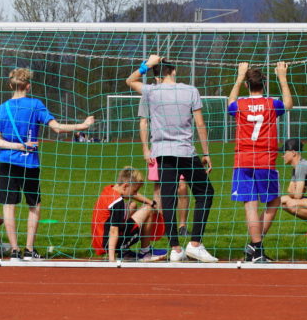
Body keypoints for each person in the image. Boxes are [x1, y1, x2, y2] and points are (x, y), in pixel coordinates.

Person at [0, 67, 94, 261]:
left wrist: (15, 145)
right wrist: (83, 126)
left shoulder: (2, 108)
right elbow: (57, 128)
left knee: (9, 205)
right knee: (34, 205)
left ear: (9, 85)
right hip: (29, 162)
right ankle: (29, 249)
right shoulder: (35, 104)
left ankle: (14, 251)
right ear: (28, 86)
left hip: (6, 162)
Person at [130, 54, 217, 263]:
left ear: (157, 73)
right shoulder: (190, 90)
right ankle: (195, 243)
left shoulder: (151, 91)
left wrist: (146, 66)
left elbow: (130, 81)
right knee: (205, 191)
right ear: (174, 71)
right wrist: (206, 153)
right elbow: (200, 124)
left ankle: (176, 248)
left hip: (162, 152)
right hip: (185, 152)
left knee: (168, 199)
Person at [227, 61, 292, 263]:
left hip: (243, 159)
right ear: (264, 84)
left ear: (247, 85)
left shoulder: (240, 105)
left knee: (251, 205)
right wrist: (282, 77)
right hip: (265, 160)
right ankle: (256, 248)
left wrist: (239, 76)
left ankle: (255, 246)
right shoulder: (272, 103)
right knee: (273, 201)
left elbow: (230, 103)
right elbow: (289, 104)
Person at [124, 62, 191, 238]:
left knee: (182, 187)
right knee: (160, 188)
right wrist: (146, 149)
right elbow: (143, 122)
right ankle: (160, 225)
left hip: (181, 148)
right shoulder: (149, 94)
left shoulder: (182, 92)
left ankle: (182, 225)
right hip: (159, 148)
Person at [92, 167, 167, 262]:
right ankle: (145, 252)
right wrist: (112, 260)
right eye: (134, 191)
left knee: (132, 205)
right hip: (108, 243)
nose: (135, 194)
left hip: (100, 239)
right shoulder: (117, 203)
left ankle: (124, 252)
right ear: (125, 186)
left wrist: (151, 202)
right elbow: (113, 230)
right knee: (148, 210)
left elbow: (132, 195)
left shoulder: (110, 190)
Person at [264, 138, 307, 238]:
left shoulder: (302, 167)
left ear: (293, 153)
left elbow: (298, 195)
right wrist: (295, 192)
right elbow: (290, 191)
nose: (282, 156)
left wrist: (296, 192)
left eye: (284, 152)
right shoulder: (296, 167)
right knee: (281, 201)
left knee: (291, 204)